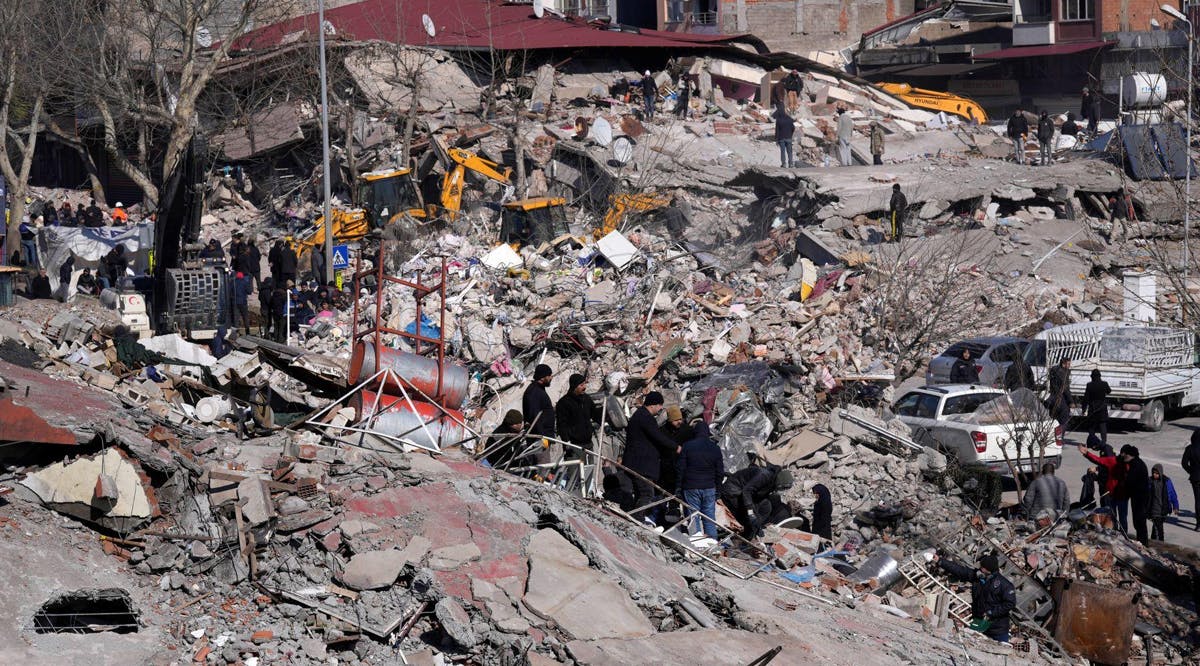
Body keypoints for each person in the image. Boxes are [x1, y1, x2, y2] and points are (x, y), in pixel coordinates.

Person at [933, 552, 1017, 643]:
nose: (980, 569)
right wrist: (940, 561)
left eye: (982, 567)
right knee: (971, 644)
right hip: (978, 621)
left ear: (989, 569)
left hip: (997, 628)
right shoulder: (977, 577)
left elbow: (1010, 603)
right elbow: (959, 570)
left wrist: (991, 613)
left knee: (1000, 651)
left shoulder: (1004, 585)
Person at [622, 391, 679, 523]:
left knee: (640, 493)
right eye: (660, 405)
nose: (660, 409)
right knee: (646, 493)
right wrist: (675, 447)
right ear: (653, 405)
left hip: (637, 462)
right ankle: (636, 520)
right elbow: (658, 437)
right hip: (641, 464)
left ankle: (634, 518)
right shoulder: (645, 417)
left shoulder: (640, 415)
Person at [720, 463, 793, 541]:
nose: (782, 491)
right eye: (782, 488)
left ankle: (756, 527)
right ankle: (743, 538)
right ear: (780, 482)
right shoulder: (764, 476)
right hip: (733, 492)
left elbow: (760, 494)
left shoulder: (773, 480)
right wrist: (750, 512)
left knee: (766, 506)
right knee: (747, 517)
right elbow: (747, 491)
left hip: (747, 494)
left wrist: (756, 519)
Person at [676, 422, 724, 539]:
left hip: (691, 486)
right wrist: (718, 490)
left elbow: (680, 468)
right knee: (709, 517)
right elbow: (720, 472)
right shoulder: (715, 448)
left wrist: (678, 487)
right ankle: (712, 544)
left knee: (693, 517)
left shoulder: (687, 446)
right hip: (709, 488)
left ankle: (696, 544)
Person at [1081, 443, 1127, 530]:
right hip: (1109, 492)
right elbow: (1099, 462)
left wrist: (1095, 473)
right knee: (1112, 515)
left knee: (1116, 516)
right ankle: (1114, 530)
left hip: (1113, 493)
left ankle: (1117, 532)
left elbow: (1103, 474)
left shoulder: (1115, 463)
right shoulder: (1112, 460)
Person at [556, 373, 598, 462]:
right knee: (574, 473)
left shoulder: (586, 399)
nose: (584, 387)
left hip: (588, 444)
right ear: (574, 386)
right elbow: (561, 424)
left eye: (585, 384)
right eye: (581, 385)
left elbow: (595, 414)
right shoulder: (564, 403)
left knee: (588, 473)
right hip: (573, 446)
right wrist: (566, 441)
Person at [1121, 444, 1151, 545]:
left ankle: (1143, 543)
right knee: (1139, 521)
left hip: (1139, 498)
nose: (1124, 457)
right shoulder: (1137, 462)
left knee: (1139, 521)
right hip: (1139, 497)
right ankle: (1142, 541)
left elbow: (1130, 481)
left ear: (1130, 455)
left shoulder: (1136, 465)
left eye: (1125, 455)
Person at [522, 364, 556, 447]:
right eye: (549, 375)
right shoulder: (534, 392)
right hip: (540, 439)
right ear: (542, 377)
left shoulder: (539, 389)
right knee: (543, 459)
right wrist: (544, 441)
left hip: (544, 436)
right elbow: (534, 417)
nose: (551, 377)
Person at [1149, 464, 1179, 541]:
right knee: (1159, 528)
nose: (1154, 475)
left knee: (1156, 527)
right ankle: (1160, 543)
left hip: (1163, 509)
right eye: (1153, 473)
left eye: (1156, 473)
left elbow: (1172, 494)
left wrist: (1175, 506)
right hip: (1154, 509)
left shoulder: (1166, 481)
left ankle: (1153, 542)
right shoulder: (1150, 481)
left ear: (1160, 473)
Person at [1083, 369, 1111, 445]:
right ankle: (1103, 441)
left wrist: (1084, 409)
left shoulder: (1089, 385)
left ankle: (1091, 441)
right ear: (1100, 376)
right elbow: (1109, 391)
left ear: (1092, 376)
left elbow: (1086, 398)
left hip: (1093, 407)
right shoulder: (1104, 384)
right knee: (1102, 425)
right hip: (1102, 407)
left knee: (1092, 426)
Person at [1182, 431, 1200, 531]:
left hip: (1195, 478)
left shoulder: (1190, 448)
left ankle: (1198, 524)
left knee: (1198, 500)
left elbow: (1184, 463)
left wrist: (1191, 472)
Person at [1047, 357, 1072, 427]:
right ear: (1063, 364)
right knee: (1063, 420)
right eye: (1068, 364)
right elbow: (1065, 388)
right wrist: (1071, 401)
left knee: (1053, 420)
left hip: (1053, 398)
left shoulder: (1054, 371)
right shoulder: (1063, 373)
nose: (1069, 366)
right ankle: (1060, 436)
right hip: (1061, 399)